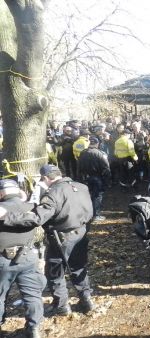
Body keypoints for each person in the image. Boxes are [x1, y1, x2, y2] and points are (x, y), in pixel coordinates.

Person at [1, 165, 95, 316]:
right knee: (79, 267)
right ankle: (87, 299)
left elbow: (38, 217)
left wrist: (7, 217)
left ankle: (61, 305)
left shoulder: (53, 192)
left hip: (61, 237)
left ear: (45, 178)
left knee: (55, 272)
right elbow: (90, 211)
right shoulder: (81, 186)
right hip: (81, 232)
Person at [0, 180, 46, 338]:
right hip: (28, 257)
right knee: (32, 294)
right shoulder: (31, 208)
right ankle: (34, 329)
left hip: (3, 260)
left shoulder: (1, 209)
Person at [78, 136, 111, 222]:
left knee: (87, 195)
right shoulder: (100, 153)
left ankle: (88, 214)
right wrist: (107, 180)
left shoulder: (82, 153)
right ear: (97, 144)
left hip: (85, 177)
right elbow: (106, 168)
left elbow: (79, 166)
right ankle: (96, 215)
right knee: (97, 196)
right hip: (97, 177)